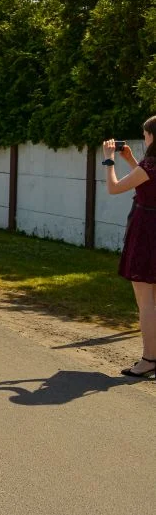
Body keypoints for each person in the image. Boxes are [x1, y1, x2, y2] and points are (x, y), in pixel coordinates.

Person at [104, 116, 156, 378]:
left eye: (146, 134)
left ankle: (149, 360)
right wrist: (131, 161)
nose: (144, 138)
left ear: (152, 137)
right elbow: (148, 182)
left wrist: (108, 159)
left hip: (148, 232)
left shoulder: (150, 164)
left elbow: (114, 188)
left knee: (146, 301)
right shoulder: (147, 166)